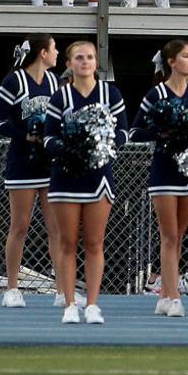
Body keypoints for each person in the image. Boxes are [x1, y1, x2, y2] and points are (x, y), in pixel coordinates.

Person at [44, 40, 128, 326]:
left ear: (96, 62)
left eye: (90, 57)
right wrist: (72, 147)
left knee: (94, 243)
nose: (85, 62)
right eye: (79, 57)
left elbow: (124, 132)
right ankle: (69, 304)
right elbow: (48, 138)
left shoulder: (110, 93)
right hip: (66, 176)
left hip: (99, 176)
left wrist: (101, 145)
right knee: (67, 243)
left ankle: (92, 304)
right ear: (69, 64)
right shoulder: (60, 98)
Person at [132, 39, 188, 318]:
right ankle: (174, 296)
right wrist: (165, 133)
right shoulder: (156, 95)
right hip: (164, 171)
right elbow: (135, 132)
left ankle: (166, 295)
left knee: (179, 235)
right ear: (171, 62)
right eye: (185, 56)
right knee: (168, 235)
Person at [0, 35, 60, 309]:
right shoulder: (14, 82)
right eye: (54, 49)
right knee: (20, 226)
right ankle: (12, 288)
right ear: (42, 53)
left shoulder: (55, 82)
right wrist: (28, 135)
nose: (57, 53)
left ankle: (62, 288)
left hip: (49, 164)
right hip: (22, 164)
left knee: (56, 228)